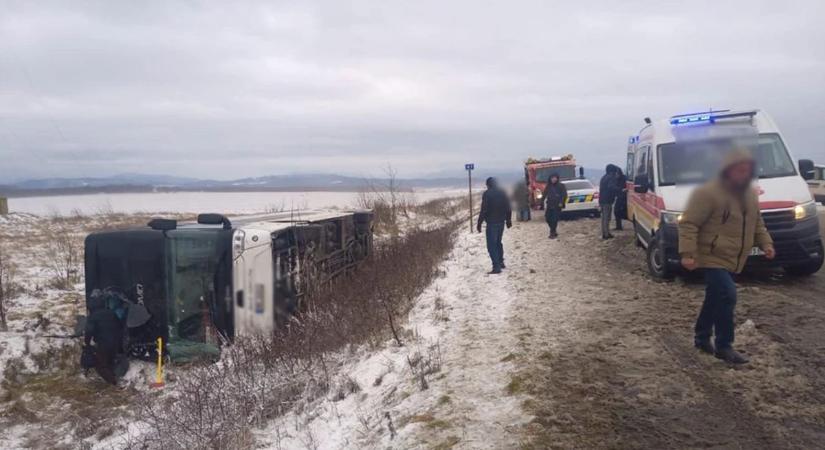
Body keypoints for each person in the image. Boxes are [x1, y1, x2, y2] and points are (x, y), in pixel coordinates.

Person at [679, 148, 775, 364]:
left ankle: (702, 337)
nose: (743, 174)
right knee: (728, 294)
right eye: (739, 170)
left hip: (732, 254)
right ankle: (724, 346)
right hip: (710, 254)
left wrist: (766, 243)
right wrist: (687, 253)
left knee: (715, 297)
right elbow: (689, 223)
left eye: (747, 170)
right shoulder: (707, 193)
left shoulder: (749, 194)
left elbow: (756, 223)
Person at [84, 292, 125, 385]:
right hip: (115, 343)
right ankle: (114, 378)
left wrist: (87, 342)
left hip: (103, 343)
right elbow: (120, 326)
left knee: (100, 365)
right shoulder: (111, 313)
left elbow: (89, 331)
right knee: (109, 362)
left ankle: (114, 383)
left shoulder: (93, 317)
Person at [477, 177, 512, 274]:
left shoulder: (487, 194)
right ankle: (501, 262)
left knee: (491, 245)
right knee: (498, 243)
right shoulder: (502, 192)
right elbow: (508, 207)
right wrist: (508, 220)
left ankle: (496, 267)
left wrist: (479, 223)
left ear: (488, 185)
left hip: (492, 223)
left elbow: (483, 210)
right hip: (501, 222)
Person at [543, 173, 567, 239]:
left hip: (557, 206)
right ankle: (553, 230)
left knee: (554, 219)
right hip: (549, 205)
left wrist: (561, 202)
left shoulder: (561, 186)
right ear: (550, 179)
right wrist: (540, 203)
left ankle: (552, 233)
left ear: (557, 178)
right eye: (552, 178)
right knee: (547, 218)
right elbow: (544, 195)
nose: (553, 179)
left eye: (555, 178)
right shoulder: (548, 186)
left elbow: (564, 195)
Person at [599, 164, 619, 239]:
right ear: (612, 172)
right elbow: (611, 187)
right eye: (614, 172)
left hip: (602, 200)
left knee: (604, 218)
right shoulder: (611, 178)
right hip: (607, 200)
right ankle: (606, 234)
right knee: (607, 218)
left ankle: (605, 233)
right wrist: (620, 190)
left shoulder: (603, 177)